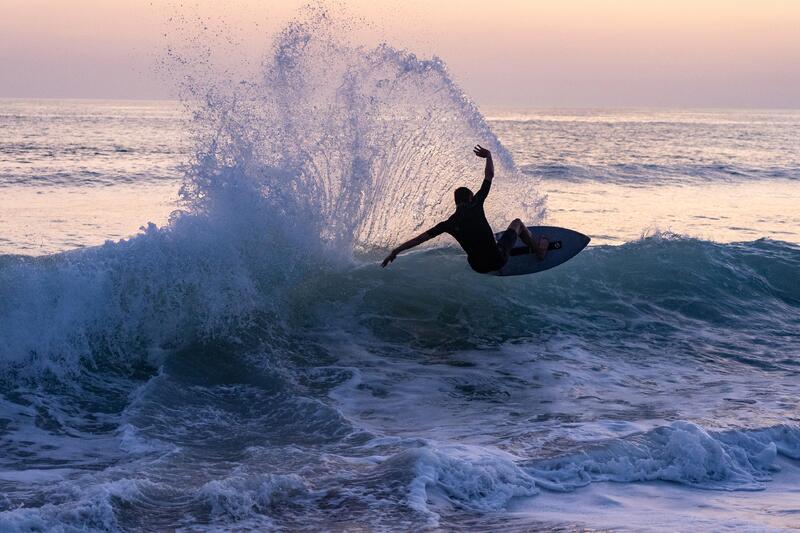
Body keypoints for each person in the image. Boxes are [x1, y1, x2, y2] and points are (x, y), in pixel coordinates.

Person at [381, 145, 548, 273]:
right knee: (517, 223)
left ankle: (492, 251)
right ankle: (539, 250)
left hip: (477, 267)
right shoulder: (476, 204)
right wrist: (488, 155)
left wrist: (396, 250)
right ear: (470, 198)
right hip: (498, 260)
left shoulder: (448, 223)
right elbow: (489, 175)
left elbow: (419, 240)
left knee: (476, 247)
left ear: (456, 202)